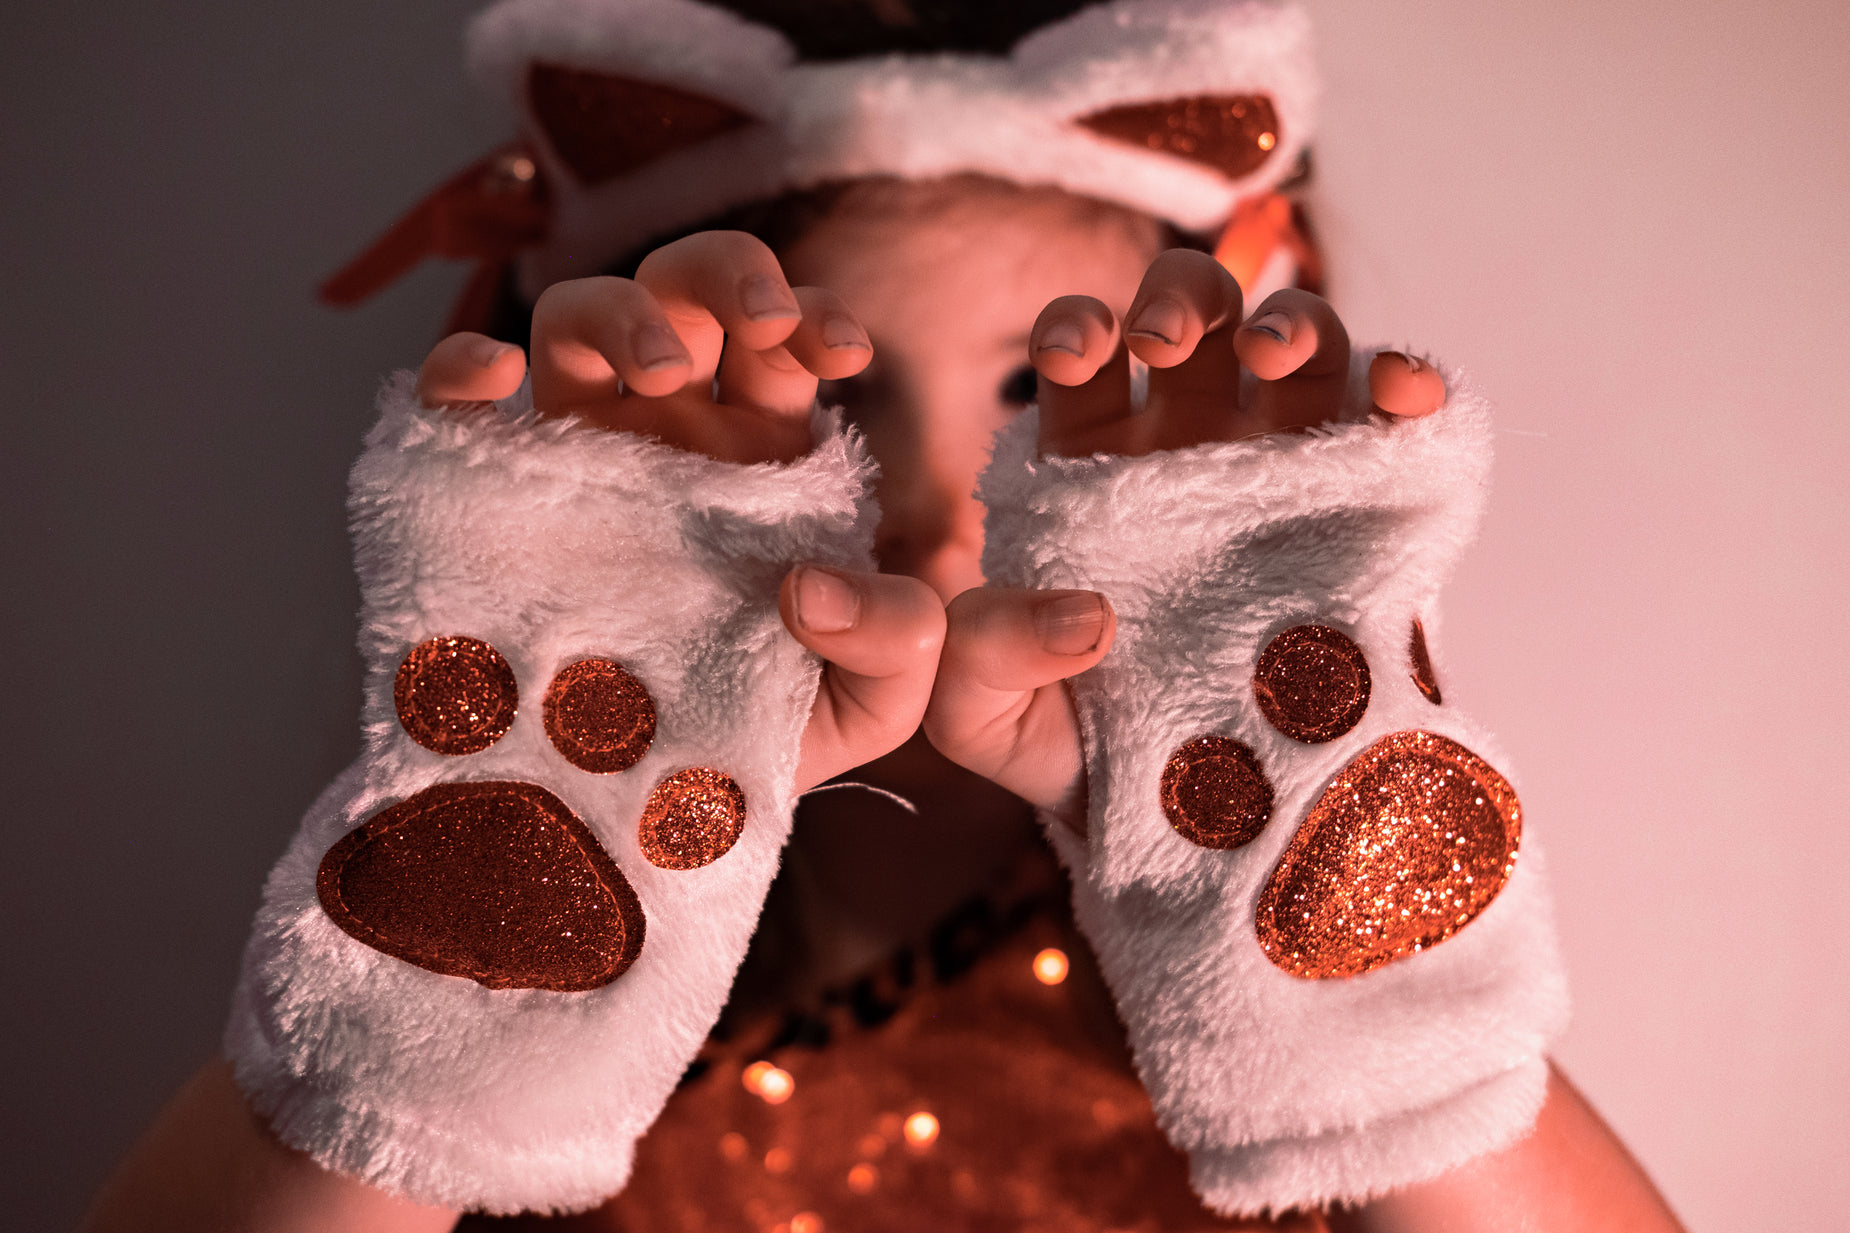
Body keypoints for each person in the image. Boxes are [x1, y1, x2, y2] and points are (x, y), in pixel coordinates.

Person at [81, 2, 1686, 1231]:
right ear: (633, 467)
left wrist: (1363, 1002)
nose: (939, 509)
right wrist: (441, 1032)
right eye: (838, 400)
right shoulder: (489, 940)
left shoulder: (1258, 958)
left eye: (1033, 391)